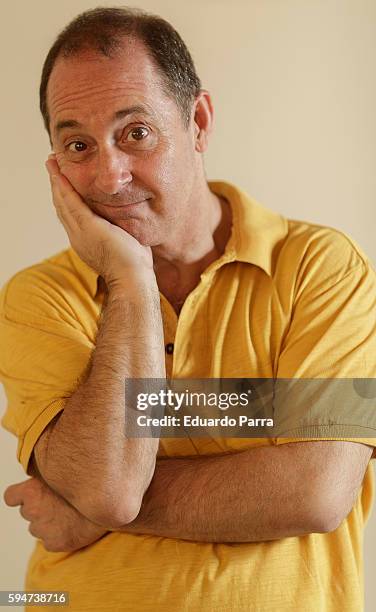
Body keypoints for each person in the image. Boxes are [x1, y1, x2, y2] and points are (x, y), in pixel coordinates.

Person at [1, 6, 376, 612]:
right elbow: (108, 485)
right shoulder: (37, 298)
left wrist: (94, 512)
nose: (108, 176)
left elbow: (316, 492)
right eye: (77, 145)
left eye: (136, 133)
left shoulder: (323, 268)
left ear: (198, 121)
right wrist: (130, 283)